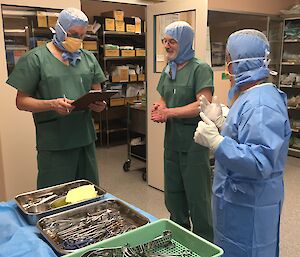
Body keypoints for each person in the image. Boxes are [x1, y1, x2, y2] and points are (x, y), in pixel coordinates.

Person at [194, 29, 291, 257]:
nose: (227, 67)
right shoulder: (249, 97)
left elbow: (260, 161)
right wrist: (221, 123)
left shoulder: (262, 105)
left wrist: (217, 142)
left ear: (236, 63)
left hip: (251, 206)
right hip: (236, 200)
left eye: (228, 59)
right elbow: (245, 137)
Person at [6, 8, 106, 189]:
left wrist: (100, 105)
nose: (77, 39)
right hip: (54, 142)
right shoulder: (35, 58)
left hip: (84, 138)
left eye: (82, 36)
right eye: (73, 34)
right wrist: (52, 104)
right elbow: (21, 102)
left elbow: (97, 94)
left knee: (89, 194)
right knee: (55, 196)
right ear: (59, 28)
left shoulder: (88, 58)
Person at [151, 21, 214, 241]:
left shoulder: (200, 68)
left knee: (198, 200)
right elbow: (163, 98)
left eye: (172, 41)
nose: (167, 46)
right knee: (174, 197)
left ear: (185, 42)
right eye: (165, 41)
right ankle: (179, 240)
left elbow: (202, 105)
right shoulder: (169, 69)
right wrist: (160, 107)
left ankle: (205, 244)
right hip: (172, 144)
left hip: (194, 144)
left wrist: (169, 113)